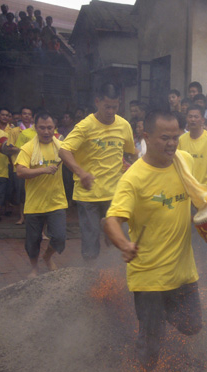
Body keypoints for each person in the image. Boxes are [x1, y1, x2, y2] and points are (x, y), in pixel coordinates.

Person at [104, 110, 202, 372]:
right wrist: (124, 243)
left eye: (176, 137)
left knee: (193, 325)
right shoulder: (133, 178)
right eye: (165, 138)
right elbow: (113, 219)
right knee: (152, 337)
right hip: (148, 276)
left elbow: (199, 197)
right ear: (146, 137)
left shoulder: (182, 161)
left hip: (183, 271)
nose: (172, 144)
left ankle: (161, 316)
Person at [60, 83, 135, 261]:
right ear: (97, 102)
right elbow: (64, 151)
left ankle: (115, 273)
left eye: (114, 107)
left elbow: (129, 152)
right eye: (107, 106)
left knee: (117, 237)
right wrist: (81, 172)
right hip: (88, 194)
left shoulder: (124, 126)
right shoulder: (85, 126)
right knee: (91, 239)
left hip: (114, 193)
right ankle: (90, 276)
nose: (110, 111)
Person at [16, 112, 67, 278]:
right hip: (34, 203)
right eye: (42, 128)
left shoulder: (61, 146)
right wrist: (43, 170)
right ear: (35, 128)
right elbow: (20, 171)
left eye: (50, 128)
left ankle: (47, 256)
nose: (46, 132)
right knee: (33, 241)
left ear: (55, 128)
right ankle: (34, 268)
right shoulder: (28, 147)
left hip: (56, 201)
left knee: (59, 237)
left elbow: (75, 158)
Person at [177, 105, 207, 199]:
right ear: (186, 119)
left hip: (204, 192)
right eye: (190, 116)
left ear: (202, 120)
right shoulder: (181, 139)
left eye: (196, 117)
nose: (193, 119)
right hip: (186, 192)